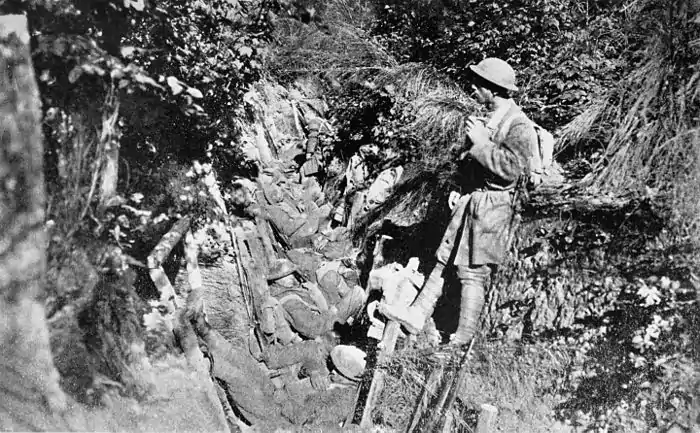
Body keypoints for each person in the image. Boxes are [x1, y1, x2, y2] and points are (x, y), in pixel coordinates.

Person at [378, 57, 537, 346]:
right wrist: (460, 184)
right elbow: (471, 161)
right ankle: (417, 314)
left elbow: (510, 169)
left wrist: (481, 143)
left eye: (478, 84)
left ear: (493, 89)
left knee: (472, 272)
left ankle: (462, 340)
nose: (473, 88)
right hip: (472, 200)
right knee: (444, 259)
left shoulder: (519, 125)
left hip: (494, 207)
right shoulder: (491, 117)